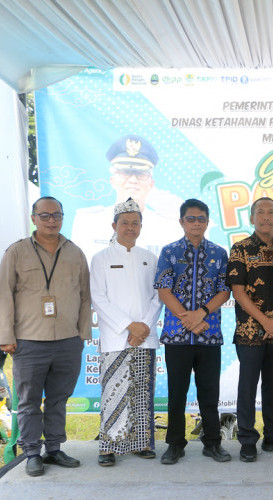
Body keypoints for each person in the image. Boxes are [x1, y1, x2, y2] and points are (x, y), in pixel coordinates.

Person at [0, 196, 91, 476]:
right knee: (29, 400)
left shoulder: (75, 253)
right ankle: (32, 452)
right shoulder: (17, 252)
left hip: (67, 341)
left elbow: (85, 297)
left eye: (56, 215)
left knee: (59, 398)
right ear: (34, 218)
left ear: (62, 218)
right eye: (45, 215)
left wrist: (82, 334)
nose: (51, 220)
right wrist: (5, 336)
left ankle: (55, 449)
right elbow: (3, 296)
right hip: (28, 341)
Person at [154, 199, 230, 465]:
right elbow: (164, 290)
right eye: (191, 218)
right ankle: (175, 444)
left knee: (209, 392)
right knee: (177, 393)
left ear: (208, 222)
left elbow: (225, 289)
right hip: (177, 335)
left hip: (209, 334)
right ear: (181, 222)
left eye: (201, 219)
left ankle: (212, 442)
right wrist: (188, 320)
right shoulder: (169, 251)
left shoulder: (219, 253)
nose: (196, 223)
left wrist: (202, 314)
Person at [90, 198, 163, 466]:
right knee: (113, 391)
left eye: (135, 223)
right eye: (125, 223)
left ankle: (142, 442)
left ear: (141, 227)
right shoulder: (101, 258)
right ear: (115, 225)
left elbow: (158, 296)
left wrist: (143, 326)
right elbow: (97, 297)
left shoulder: (150, 257)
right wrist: (128, 325)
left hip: (145, 336)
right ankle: (108, 446)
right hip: (115, 336)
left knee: (142, 391)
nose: (130, 227)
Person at [226, 197, 273, 462]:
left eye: (271, 212)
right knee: (248, 385)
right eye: (260, 212)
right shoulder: (240, 248)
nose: (266, 217)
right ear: (252, 218)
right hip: (250, 331)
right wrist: (265, 321)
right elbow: (238, 290)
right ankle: (247, 439)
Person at [72, 134, 183, 259]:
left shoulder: (169, 228)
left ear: (151, 184)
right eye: (126, 172)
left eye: (140, 174)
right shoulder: (88, 222)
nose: (133, 180)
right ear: (112, 180)